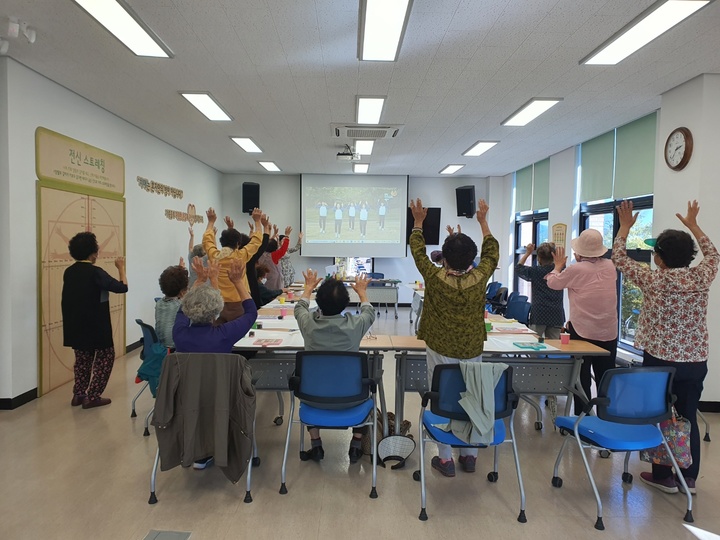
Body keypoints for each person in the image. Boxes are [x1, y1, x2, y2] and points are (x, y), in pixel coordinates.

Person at [613, 199, 718, 495]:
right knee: (688, 414)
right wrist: (694, 225)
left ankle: (663, 474)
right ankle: (690, 477)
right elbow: (713, 255)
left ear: (659, 258)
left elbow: (619, 259)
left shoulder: (653, 279)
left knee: (660, 415)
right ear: (688, 257)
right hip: (696, 360)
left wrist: (624, 228)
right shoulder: (701, 276)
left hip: (659, 361)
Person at [409, 197, 499, 477]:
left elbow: (418, 251)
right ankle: (470, 455)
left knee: (443, 397)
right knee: (471, 394)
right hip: (472, 348)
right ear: (473, 259)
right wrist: (482, 221)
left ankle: (445, 459)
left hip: (440, 348)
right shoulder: (480, 276)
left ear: (444, 258)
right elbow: (492, 252)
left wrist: (419, 222)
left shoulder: (435, 279)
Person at [171, 256, 257, 470]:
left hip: (187, 397)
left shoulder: (179, 333)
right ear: (217, 310)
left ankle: (200, 452)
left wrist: (200, 281)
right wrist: (238, 282)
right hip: (222, 396)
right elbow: (251, 312)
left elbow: (183, 308)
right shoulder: (224, 334)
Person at [294, 270, 375, 463]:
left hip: (313, 399)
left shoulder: (308, 324)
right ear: (346, 304)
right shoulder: (356, 324)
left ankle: (316, 445)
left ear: (319, 303)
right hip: (352, 399)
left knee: (305, 384)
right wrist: (362, 292)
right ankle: (356, 445)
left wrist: (308, 288)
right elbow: (369, 312)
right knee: (368, 387)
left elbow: (300, 308)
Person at [545, 229, 617, 414]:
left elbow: (553, 283)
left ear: (579, 253)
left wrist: (557, 266)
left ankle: (582, 416)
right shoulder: (610, 266)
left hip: (582, 330)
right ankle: (605, 416)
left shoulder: (577, 269)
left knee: (581, 375)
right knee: (606, 376)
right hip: (608, 331)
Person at [61, 231, 128, 409]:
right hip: (96, 325)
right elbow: (122, 288)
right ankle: (93, 396)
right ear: (93, 253)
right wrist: (121, 267)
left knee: (82, 360)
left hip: (75, 325)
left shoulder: (69, 272)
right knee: (106, 357)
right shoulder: (96, 272)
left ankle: (79, 394)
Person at [203, 207, 263, 323]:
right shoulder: (240, 256)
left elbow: (207, 240)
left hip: (219, 304)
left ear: (221, 242)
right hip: (239, 303)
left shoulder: (214, 256)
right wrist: (257, 221)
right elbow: (257, 240)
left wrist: (210, 222)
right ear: (238, 244)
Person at [516, 243, 565, 339]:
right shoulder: (561, 270)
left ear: (539, 258)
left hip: (539, 313)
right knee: (554, 345)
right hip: (556, 312)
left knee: (533, 343)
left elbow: (518, 268)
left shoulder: (535, 271)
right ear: (553, 256)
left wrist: (528, 253)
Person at [155, 260, 189, 349]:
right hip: (175, 350)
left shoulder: (159, 304)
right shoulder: (181, 307)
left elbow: (172, 283)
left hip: (161, 348)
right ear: (182, 292)